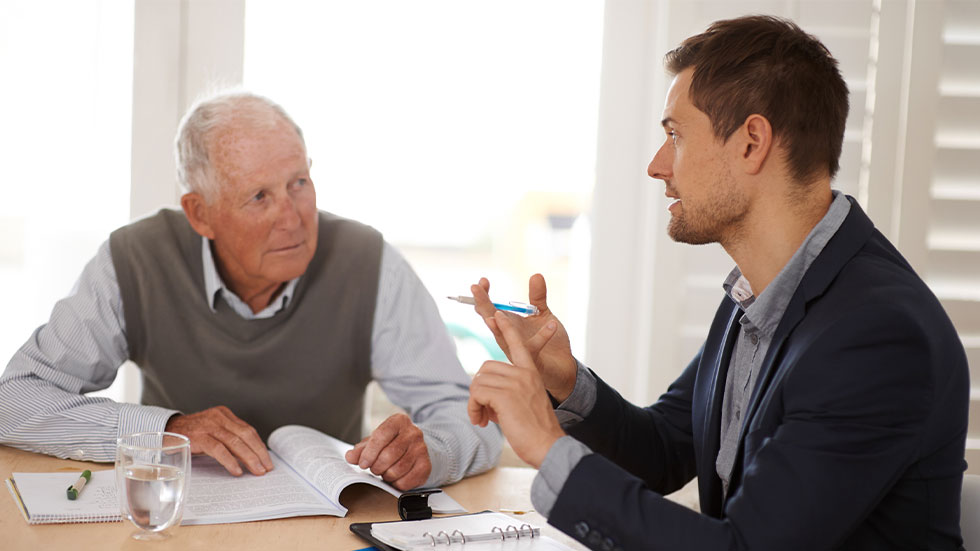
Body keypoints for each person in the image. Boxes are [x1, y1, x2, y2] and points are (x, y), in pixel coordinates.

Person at [466, 15, 969, 550]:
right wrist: (564, 383)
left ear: (752, 142)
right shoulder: (760, 293)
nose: (658, 166)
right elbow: (665, 450)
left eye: (675, 136)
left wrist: (544, 443)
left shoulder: (876, 335)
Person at [0, 91, 500, 491]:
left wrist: (433, 451)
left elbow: (470, 416)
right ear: (200, 214)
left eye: (299, 182)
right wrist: (167, 430)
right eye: (259, 196)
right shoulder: (136, 258)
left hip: (327, 526)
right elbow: (14, 401)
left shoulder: (369, 261)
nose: (293, 217)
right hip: (179, 522)